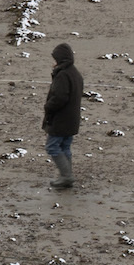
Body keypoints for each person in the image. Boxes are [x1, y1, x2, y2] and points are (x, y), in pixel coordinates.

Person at [42, 43, 82, 189]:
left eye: (55, 59)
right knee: (65, 147)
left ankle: (66, 176)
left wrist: (48, 107)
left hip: (61, 120)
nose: (54, 62)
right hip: (71, 120)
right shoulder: (74, 73)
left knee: (52, 147)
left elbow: (60, 98)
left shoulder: (63, 75)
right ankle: (66, 176)